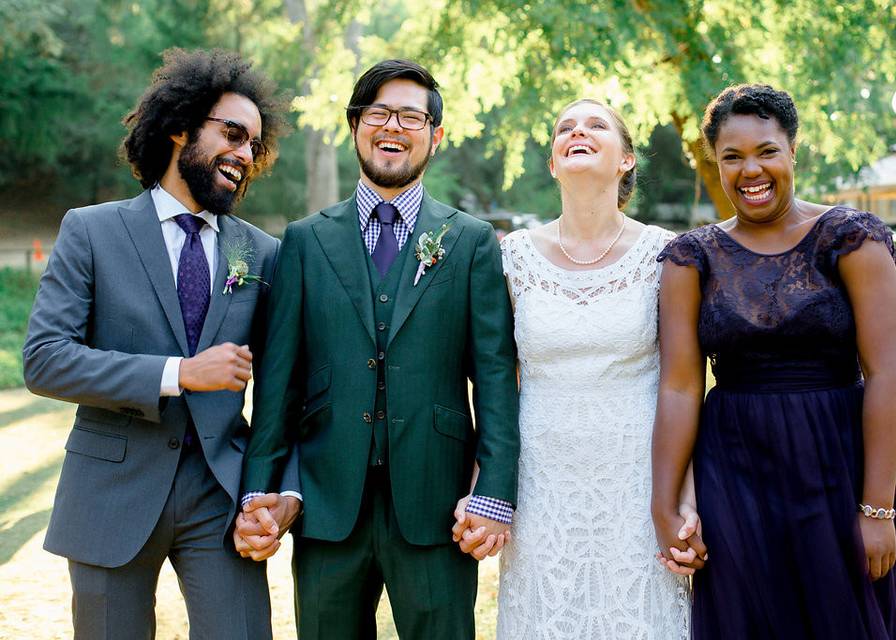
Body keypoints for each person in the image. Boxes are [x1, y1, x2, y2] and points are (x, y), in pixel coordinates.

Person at [235, 59, 520, 639]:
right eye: (379, 113)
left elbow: (494, 377)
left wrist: (493, 490)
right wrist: (261, 489)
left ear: (435, 135)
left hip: (436, 504)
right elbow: (279, 378)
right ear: (355, 125)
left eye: (412, 116)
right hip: (325, 501)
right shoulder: (305, 240)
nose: (394, 126)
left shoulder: (469, 242)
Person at [21, 48, 293, 639]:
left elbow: (288, 390)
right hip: (109, 492)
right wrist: (178, 373)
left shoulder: (264, 254)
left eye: (254, 144)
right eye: (231, 134)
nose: (245, 154)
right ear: (178, 128)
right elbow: (45, 360)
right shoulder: (90, 231)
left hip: (222, 497)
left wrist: (277, 488)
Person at [652, 84, 896, 639]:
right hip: (733, 471)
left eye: (766, 151)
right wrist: (666, 504)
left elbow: (887, 376)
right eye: (732, 156)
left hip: (837, 465)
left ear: (792, 152)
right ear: (716, 163)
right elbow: (679, 387)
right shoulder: (690, 256)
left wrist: (876, 510)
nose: (751, 169)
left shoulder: (852, 238)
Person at [492, 98, 698, 639]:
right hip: (542, 493)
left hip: (638, 489)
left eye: (595, 125)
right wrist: (484, 488)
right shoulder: (512, 256)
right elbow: (495, 383)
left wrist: (687, 497)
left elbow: (685, 385)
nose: (577, 132)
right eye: (565, 128)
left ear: (626, 159)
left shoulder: (668, 254)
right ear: (553, 164)